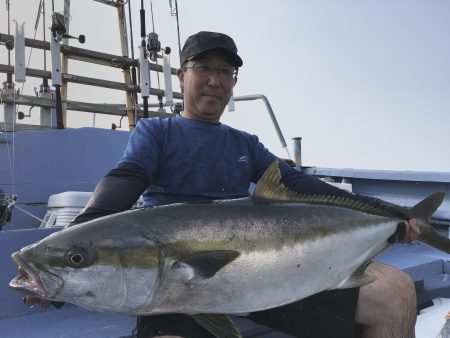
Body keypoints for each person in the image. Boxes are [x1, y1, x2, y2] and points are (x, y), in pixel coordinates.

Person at [24, 31, 419, 338]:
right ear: (182, 76)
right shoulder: (157, 132)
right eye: (203, 68)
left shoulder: (244, 143)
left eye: (225, 72)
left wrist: (388, 212)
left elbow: (298, 184)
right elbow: (128, 176)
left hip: (261, 277)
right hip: (171, 288)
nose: (214, 80)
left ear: (232, 83)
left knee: (394, 293)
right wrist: (77, 241)